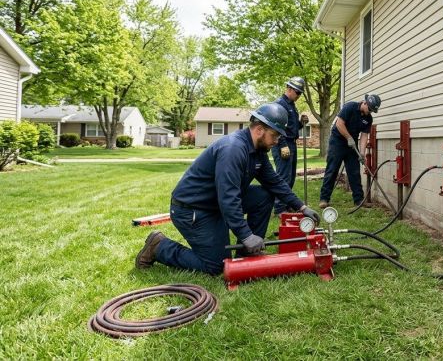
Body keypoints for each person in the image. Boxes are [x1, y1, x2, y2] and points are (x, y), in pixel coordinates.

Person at [135, 103, 319, 275]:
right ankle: (159, 246)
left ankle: (247, 252)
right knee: (217, 266)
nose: (277, 141)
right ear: (259, 130)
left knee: (263, 195)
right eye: (275, 135)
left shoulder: (258, 152)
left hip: (214, 204)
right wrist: (246, 234)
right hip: (192, 210)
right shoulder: (233, 149)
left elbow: (274, 182)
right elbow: (229, 198)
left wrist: (301, 207)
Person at [319, 94, 381, 209]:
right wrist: (348, 138)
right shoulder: (350, 107)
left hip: (351, 145)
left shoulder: (368, 118)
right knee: (332, 170)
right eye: (370, 109)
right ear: (365, 103)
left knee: (354, 171)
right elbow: (339, 124)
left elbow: (364, 136)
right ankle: (324, 199)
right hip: (337, 142)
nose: (370, 112)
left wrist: (362, 153)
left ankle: (359, 200)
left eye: (373, 110)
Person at [272, 76, 304, 216]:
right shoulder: (280, 104)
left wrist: (302, 123)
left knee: (290, 177)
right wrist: (283, 145)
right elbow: (277, 127)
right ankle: (279, 208)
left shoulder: (291, 105)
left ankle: (286, 204)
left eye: (300, 93)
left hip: (291, 142)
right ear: (289, 89)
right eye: (297, 92)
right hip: (282, 143)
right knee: (283, 176)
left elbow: (292, 127)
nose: (299, 96)